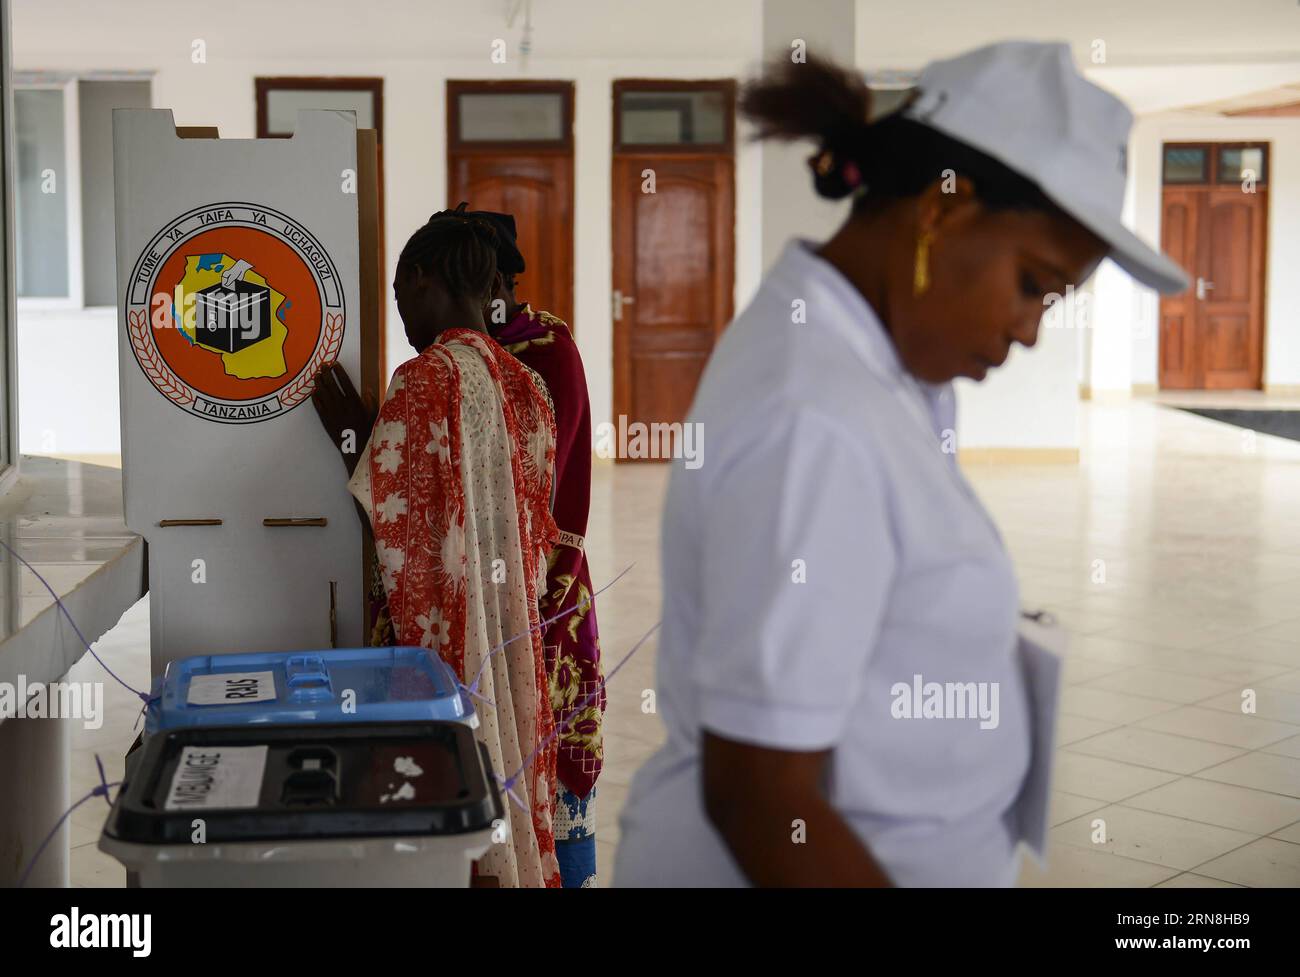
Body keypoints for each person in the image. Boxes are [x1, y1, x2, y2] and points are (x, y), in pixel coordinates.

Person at [614, 42, 1188, 887]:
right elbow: (764, 798)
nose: (1032, 330)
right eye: (1033, 284)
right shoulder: (815, 417)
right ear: (939, 214)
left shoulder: (871, 366)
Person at [312, 207, 562, 888]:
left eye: (400, 302)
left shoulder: (424, 380)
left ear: (422, 279)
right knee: (507, 759)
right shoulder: (530, 388)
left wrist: (350, 441)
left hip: (451, 644)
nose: (403, 324)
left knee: (451, 800)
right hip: (514, 642)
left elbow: (395, 530)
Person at [467, 209, 606, 888]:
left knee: (557, 790)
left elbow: (541, 490)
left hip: (546, 590)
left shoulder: (547, 351)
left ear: (498, 280)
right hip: (481, 598)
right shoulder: (461, 353)